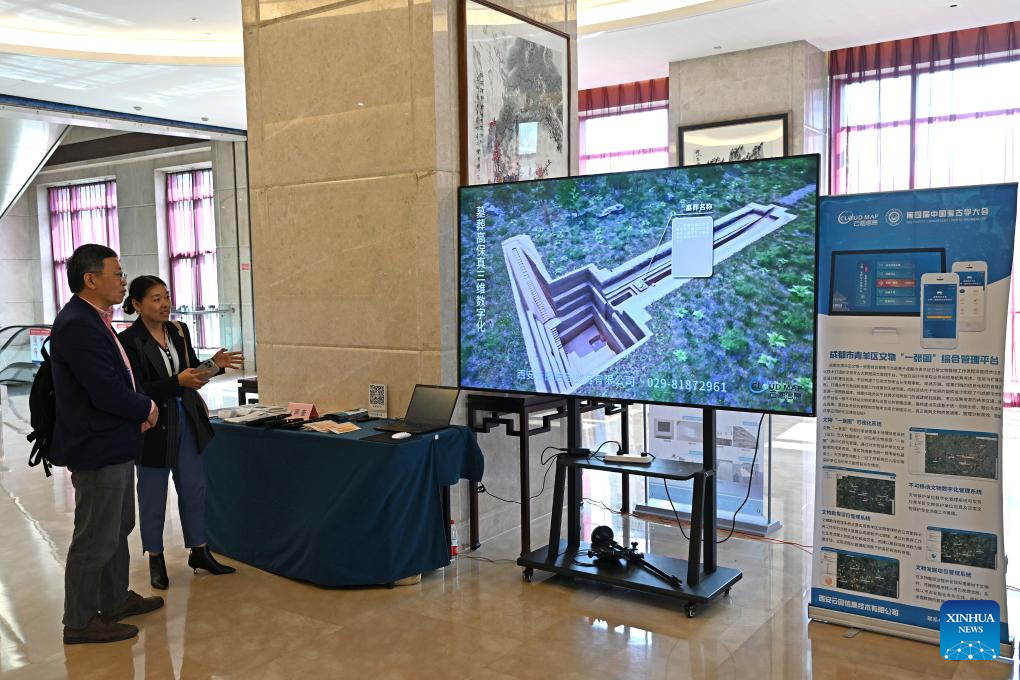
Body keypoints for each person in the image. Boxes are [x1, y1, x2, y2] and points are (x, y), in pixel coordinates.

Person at [50, 244, 164, 645]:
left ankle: (113, 599)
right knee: (95, 536)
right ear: (90, 279)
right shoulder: (77, 325)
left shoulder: (95, 319)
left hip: (114, 441)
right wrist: (147, 407)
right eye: (117, 274)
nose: (123, 281)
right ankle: (79, 621)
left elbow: (119, 378)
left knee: (117, 527)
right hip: (97, 446)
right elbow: (105, 391)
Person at [119, 275, 243, 589]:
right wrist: (177, 382)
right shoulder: (129, 341)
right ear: (137, 304)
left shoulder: (178, 330)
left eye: (167, 296)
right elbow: (137, 389)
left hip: (186, 417)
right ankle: (155, 557)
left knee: (193, 487)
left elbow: (191, 372)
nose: (165, 304)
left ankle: (199, 550)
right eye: (156, 299)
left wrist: (214, 365)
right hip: (153, 424)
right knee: (153, 494)